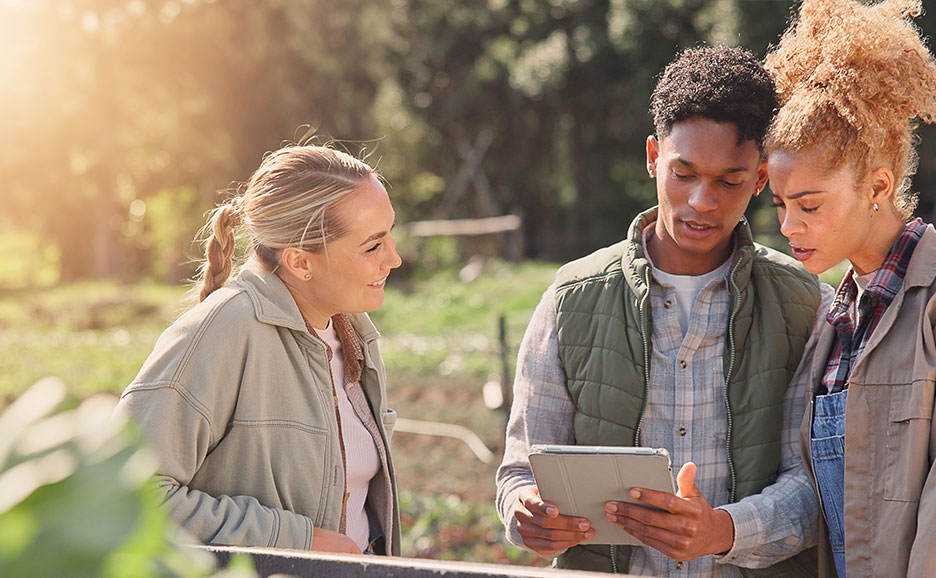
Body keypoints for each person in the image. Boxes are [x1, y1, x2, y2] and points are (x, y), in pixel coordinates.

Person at [496, 44, 833, 576]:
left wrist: (724, 531)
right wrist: (526, 514)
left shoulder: (807, 304)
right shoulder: (570, 299)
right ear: (653, 156)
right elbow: (520, 472)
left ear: (761, 177)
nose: (702, 201)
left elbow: (816, 484)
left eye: (730, 180)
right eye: (684, 173)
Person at [115, 144, 403, 555]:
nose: (395, 258)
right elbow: (122, 493)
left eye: (390, 234)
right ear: (300, 262)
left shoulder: (354, 335)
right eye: (373, 246)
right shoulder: (222, 329)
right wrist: (298, 542)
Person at [764, 1, 936, 576]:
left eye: (809, 205)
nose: (789, 227)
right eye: (781, 205)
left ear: (878, 187)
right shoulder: (832, 319)